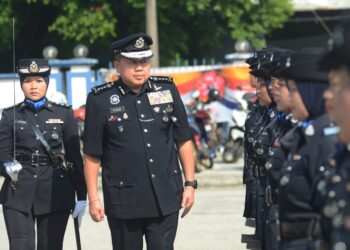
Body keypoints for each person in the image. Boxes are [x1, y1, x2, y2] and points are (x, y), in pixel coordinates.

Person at [83, 33, 196, 250]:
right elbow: (92, 153)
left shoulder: (167, 90)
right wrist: (93, 198)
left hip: (165, 195)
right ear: (117, 65)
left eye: (144, 62)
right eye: (132, 62)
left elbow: (183, 139)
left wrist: (190, 184)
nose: (139, 68)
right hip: (125, 200)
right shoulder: (100, 100)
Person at [0, 58, 87, 250]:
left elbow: (75, 159)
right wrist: (7, 167)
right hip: (18, 191)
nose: (33, 86)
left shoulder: (64, 114)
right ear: (21, 83)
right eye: (28, 81)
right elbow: (2, 154)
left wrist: (82, 195)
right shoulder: (9, 115)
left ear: (47, 83)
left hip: (55, 190)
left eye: (39, 81)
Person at [276, 49, 338, 250]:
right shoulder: (306, 136)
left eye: (294, 90)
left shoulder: (326, 141)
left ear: (310, 91)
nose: (290, 98)